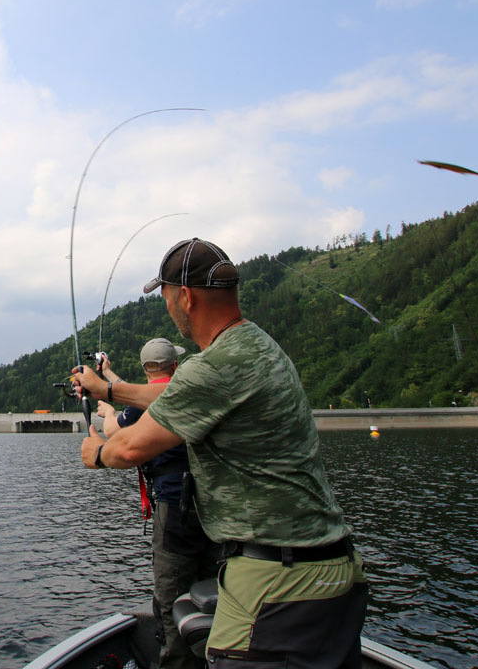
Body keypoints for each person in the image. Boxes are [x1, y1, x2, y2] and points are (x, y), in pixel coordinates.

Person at [75, 238, 367, 669]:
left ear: (186, 298)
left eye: (166, 298)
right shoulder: (255, 346)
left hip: (277, 586)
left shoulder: (213, 366)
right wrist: (110, 389)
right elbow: (179, 395)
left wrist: (96, 450)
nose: (168, 308)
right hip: (330, 570)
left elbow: (130, 448)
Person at [96, 338, 217, 669]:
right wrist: (108, 375)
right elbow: (133, 392)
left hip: (174, 508)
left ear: (145, 368)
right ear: (175, 366)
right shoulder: (182, 391)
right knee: (209, 586)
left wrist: (107, 410)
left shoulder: (141, 404)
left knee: (170, 597)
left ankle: (176, 661)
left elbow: (115, 435)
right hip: (209, 507)